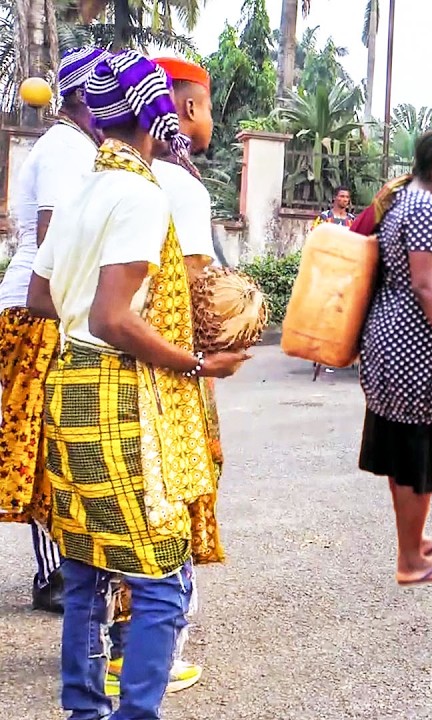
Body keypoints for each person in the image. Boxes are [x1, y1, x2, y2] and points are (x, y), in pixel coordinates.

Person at [27, 49, 248, 720]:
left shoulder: (81, 193)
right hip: (123, 399)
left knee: (89, 570)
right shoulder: (142, 195)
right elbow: (113, 316)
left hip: (69, 385)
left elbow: (41, 298)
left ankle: (85, 711)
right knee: (161, 581)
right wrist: (194, 362)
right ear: (158, 120)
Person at [95, 54, 222, 699]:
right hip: (163, 377)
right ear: (185, 109)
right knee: (169, 520)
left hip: (98, 377)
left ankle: (104, 660)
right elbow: (198, 293)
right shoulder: (180, 188)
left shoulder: (108, 178)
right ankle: (148, 661)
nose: (208, 120)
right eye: (204, 106)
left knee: (112, 524)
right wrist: (208, 361)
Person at [0, 46, 106, 616]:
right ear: (86, 97)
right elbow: (51, 239)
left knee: (53, 441)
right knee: (45, 446)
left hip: (40, 309)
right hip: (38, 311)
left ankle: (62, 568)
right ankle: (53, 575)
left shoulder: (71, 145)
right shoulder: (66, 148)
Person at [358, 129, 432, 586]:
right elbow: (427, 287)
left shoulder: (406, 198)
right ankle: (410, 560)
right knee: (417, 453)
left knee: (404, 451)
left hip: (392, 341)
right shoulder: (426, 207)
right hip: (416, 348)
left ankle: (414, 538)